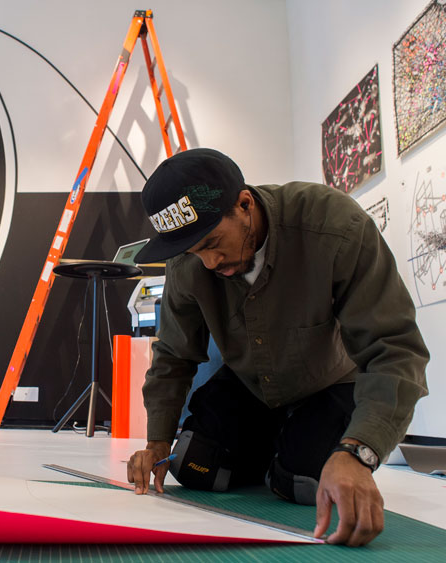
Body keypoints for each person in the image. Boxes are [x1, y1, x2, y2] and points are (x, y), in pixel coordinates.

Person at [126, 148, 429, 547]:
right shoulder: (191, 261)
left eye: (214, 241)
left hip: (329, 382)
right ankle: (281, 448)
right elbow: (173, 355)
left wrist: (359, 453)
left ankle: (293, 456)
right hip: (251, 383)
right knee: (192, 464)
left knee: (303, 483)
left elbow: (394, 347)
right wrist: (157, 443)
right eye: (195, 251)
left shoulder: (336, 227)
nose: (211, 261)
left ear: (245, 204)